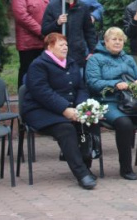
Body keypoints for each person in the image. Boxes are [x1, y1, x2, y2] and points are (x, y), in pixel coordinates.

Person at [20, 33, 98, 189]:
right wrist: (64, 109)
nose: (65, 47)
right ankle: (81, 173)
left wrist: (81, 107)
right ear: (49, 47)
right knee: (66, 128)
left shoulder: (71, 63)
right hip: (39, 110)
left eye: (66, 44)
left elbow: (81, 88)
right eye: (60, 44)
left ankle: (84, 164)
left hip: (68, 108)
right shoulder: (39, 65)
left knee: (87, 124)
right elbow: (42, 92)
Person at [85, 28, 137, 180]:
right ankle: (126, 168)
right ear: (105, 42)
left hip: (132, 102)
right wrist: (115, 84)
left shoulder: (128, 59)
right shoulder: (95, 59)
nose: (118, 42)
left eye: (120, 40)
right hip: (108, 101)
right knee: (124, 124)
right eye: (114, 39)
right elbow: (93, 83)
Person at [41, 0, 97, 67]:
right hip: (57, 55)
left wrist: (92, 51)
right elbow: (44, 30)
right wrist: (57, 23)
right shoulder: (52, 7)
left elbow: (89, 31)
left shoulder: (82, 8)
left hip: (77, 54)